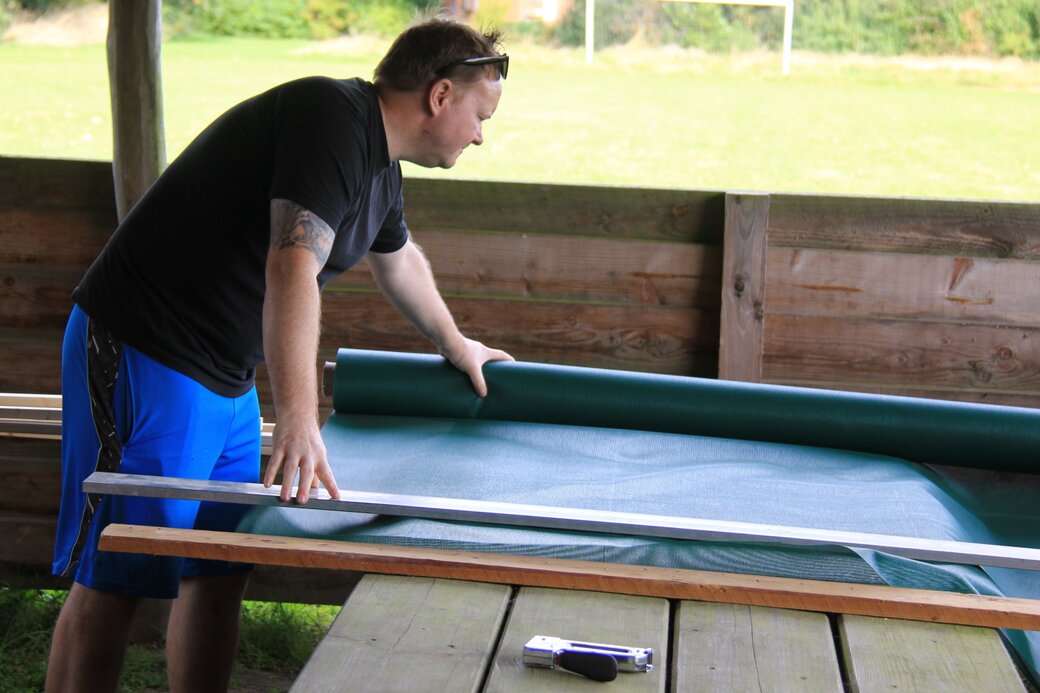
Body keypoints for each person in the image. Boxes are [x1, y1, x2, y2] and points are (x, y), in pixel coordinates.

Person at [45, 17, 512, 693]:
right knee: (119, 575)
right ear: (440, 96)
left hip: (226, 376)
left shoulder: (380, 166)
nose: (480, 135)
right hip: (145, 348)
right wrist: (298, 417)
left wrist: (456, 343)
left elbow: (399, 259)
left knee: (219, 566)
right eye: (480, 117)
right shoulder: (332, 119)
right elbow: (293, 264)